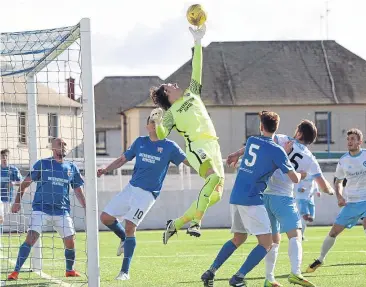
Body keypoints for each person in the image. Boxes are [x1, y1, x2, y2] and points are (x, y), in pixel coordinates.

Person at [200, 111, 303, 287]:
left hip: (236, 195)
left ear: (261, 127)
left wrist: (235, 154)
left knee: (238, 239)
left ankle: (211, 271)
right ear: (276, 128)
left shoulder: (252, 141)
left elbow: (249, 150)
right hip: (252, 199)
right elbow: (294, 178)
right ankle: (238, 277)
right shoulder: (277, 150)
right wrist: (300, 172)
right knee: (267, 243)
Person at [227, 120, 334, 287]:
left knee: (273, 240)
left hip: (264, 196)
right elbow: (323, 184)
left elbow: (261, 145)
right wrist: (332, 191)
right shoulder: (310, 158)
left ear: (299, 133)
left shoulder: (281, 139)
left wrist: (238, 153)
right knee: (295, 234)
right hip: (283, 198)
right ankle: (296, 273)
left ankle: (269, 279)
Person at [149, 24, 225, 240]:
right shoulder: (171, 112)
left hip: (213, 144)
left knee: (217, 194)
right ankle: (196, 222)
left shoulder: (193, 92)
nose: (175, 84)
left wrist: (198, 40)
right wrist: (157, 122)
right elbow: (162, 135)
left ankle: (176, 223)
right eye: (170, 85)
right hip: (196, 147)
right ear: (167, 94)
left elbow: (197, 66)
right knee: (214, 179)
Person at [97, 116, 188, 281]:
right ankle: (124, 238)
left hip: (148, 194)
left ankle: (124, 272)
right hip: (131, 188)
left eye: (161, 122)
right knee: (105, 217)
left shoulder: (170, 147)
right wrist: (105, 168)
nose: (158, 125)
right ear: (148, 127)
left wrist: (206, 166)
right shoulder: (140, 142)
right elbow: (122, 159)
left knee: (130, 225)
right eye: (154, 122)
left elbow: (187, 161)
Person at [306, 128, 366, 274]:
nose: (349, 142)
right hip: (351, 202)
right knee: (333, 232)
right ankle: (320, 259)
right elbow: (338, 181)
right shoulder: (343, 160)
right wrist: (339, 196)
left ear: (360, 141)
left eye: (353, 139)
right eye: (348, 139)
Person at [8, 138, 86, 280]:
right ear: (53, 148)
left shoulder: (71, 167)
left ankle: (69, 270)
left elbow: (78, 191)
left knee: (70, 241)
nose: (63, 147)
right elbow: (24, 184)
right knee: (31, 238)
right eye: (60, 145)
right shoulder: (43, 164)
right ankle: (15, 272)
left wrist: (87, 207)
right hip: (41, 209)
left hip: (62, 210)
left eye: (65, 145)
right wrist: (16, 202)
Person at [0, 149, 22, 236]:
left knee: (1, 220)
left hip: (7, 199)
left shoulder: (13, 170)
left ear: (8, 158)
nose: (4, 158)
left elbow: (21, 182)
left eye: (6, 156)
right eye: (3, 156)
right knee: (0, 217)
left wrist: (13, 183)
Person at [295, 176, 321, 240]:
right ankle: (300, 235)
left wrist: (317, 191)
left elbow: (315, 185)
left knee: (311, 218)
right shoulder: (299, 176)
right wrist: (300, 189)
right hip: (301, 198)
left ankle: (300, 234)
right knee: (305, 217)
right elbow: (294, 187)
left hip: (310, 199)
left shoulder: (312, 176)